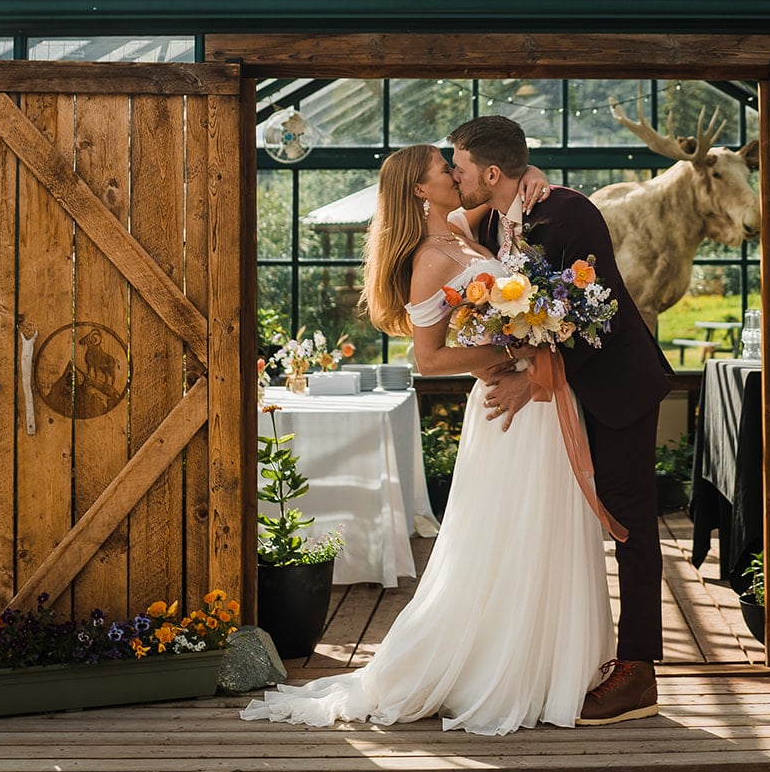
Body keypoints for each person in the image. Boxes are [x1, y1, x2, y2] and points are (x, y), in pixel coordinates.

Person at [241, 144, 616, 735]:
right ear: (421, 190)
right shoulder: (429, 259)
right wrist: (517, 347)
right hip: (503, 409)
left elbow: (506, 190)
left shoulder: (467, 229)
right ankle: (499, 666)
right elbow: (429, 357)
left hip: (539, 400)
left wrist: (532, 175)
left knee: (547, 528)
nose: (454, 172)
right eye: (445, 169)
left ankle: (554, 664)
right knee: (504, 538)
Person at [449, 115, 672, 727]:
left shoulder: (570, 214)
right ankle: (557, 656)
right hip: (564, 399)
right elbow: (439, 229)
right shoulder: (494, 219)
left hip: (616, 389)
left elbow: (595, 319)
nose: (454, 176)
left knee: (630, 525)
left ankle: (639, 671)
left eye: (460, 167)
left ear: (491, 172)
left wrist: (535, 378)